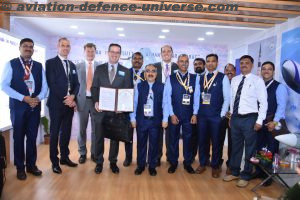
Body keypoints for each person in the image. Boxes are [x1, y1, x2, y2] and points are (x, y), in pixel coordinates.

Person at [0, 38, 48, 180]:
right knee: (19, 138)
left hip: (34, 107)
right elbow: (4, 85)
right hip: (18, 108)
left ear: (33, 49)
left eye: (31, 47)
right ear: (20, 48)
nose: (28, 48)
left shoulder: (39, 66)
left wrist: (38, 98)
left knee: (32, 138)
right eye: (25, 46)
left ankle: (31, 166)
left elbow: (45, 86)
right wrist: (23, 98)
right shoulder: (11, 64)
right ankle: (20, 168)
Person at [223, 55, 268, 188]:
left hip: (250, 118)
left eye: (246, 63)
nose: (244, 65)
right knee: (235, 146)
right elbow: (232, 100)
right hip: (236, 118)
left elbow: (263, 102)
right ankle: (235, 171)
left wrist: (260, 120)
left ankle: (246, 175)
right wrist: (230, 117)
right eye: (241, 63)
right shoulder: (235, 80)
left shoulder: (257, 81)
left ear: (252, 65)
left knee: (250, 148)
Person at [91, 43, 132, 174]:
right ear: (108, 53)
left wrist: (123, 107)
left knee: (115, 137)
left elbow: (127, 91)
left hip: (117, 112)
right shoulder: (99, 69)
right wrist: (96, 100)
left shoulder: (125, 71)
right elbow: (94, 88)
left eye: (117, 52)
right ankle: (98, 162)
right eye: (112, 52)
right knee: (98, 137)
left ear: (120, 54)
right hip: (101, 110)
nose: (114, 54)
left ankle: (113, 162)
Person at [46, 37, 80, 174]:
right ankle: (54, 162)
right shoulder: (50, 63)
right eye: (63, 45)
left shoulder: (72, 65)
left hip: (69, 105)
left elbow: (77, 84)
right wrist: (66, 99)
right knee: (54, 134)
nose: (65, 48)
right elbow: (52, 84)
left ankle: (64, 158)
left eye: (68, 46)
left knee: (66, 132)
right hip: (56, 104)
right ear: (58, 46)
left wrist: (72, 97)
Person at [165, 54, 200, 174]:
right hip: (175, 114)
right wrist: (171, 114)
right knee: (173, 139)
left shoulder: (195, 78)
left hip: (189, 115)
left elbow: (196, 97)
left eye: (186, 61)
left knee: (188, 139)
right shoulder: (171, 78)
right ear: (177, 63)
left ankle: (187, 162)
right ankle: (173, 162)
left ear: (188, 63)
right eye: (181, 61)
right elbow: (167, 98)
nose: (184, 63)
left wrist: (195, 113)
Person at [196, 54, 230, 178]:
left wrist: (221, 115)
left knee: (217, 142)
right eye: (208, 61)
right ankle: (203, 163)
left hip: (216, 117)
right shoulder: (200, 77)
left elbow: (227, 98)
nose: (210, 63)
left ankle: (215, 166)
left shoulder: (223, 77)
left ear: (217, 63)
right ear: (206, 63)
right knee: (202, 141)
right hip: (202, 116)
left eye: (213, 61)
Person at [130, 64, 168, 176]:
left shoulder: (162, 86)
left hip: (155, 121)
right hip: (142, 120)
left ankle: (152, 166)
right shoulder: (139, 86)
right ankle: (141, 165)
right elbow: (134, 103)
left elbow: (165, 104)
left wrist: (165, 118)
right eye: (148, 71)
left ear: (156, 74)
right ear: (145, 74)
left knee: (154, 145)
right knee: (141, 144)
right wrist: (132, 118)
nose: (150, 73)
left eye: (153, 71)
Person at [253, 61, 287, 185]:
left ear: (273, 71)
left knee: (270, 149)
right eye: (264, 69)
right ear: (261, 71)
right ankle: (259, 171)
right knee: (259, 147)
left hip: (272, 123)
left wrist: (275, 122)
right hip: (260, 122)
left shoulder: (279, 86)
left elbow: (281, 106)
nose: (266, 71)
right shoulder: (259, 85)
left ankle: (268, 176)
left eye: (269, 69)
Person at [153, 45, 178, 166]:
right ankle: (157, 156)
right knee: (157, 132)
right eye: (164, 51)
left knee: (171, 133)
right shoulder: (154, 67)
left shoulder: (178, 67)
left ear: (172, 53)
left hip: (172, 105)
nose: (166, 53)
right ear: (161, 54)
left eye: (169, 51)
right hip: (157, 104)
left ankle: (170, 156)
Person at [76, 43, 100, 164]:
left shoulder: (100, 67)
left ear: (95, 52)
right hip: (82, 101)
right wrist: (74, 101)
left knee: (95, 130)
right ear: (84, 52)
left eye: (92, 51)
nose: (90, 54)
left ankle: (94, 153)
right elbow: (74, 86)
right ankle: (82, 153)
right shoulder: (78, 66)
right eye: (88, 51)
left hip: (96, 102)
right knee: (82, 129)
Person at [123, 52, 145, 167]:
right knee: (128, 136)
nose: (137, 60)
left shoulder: (147, 73)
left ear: (143, 61)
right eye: (135, 58)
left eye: (139, 59)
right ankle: (128, 157)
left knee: (142, 136)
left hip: (143, 110)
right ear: (131, 60)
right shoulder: (126, 73)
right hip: (127, 109)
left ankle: (141, 159)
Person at [219, 63, 236, 175]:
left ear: (235, 71)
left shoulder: (238, 82)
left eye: (231, 70)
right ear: (224, 71)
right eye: (227, 70)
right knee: (218, 140)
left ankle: (231, 164)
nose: (229, 72)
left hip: (233, 117)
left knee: (232, 142)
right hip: (221, 116)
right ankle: (218, 162)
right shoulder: (221, 81)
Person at [191, 58, 207, 162]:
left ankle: (205, 159)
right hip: (193, 113)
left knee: (205, 138)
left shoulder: (208, 77)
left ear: (204, 65)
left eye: (200, 64)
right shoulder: (191, 78)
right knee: (193, 136)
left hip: (206, 112)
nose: (197, 66)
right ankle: (191, 156)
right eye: (195, 64)